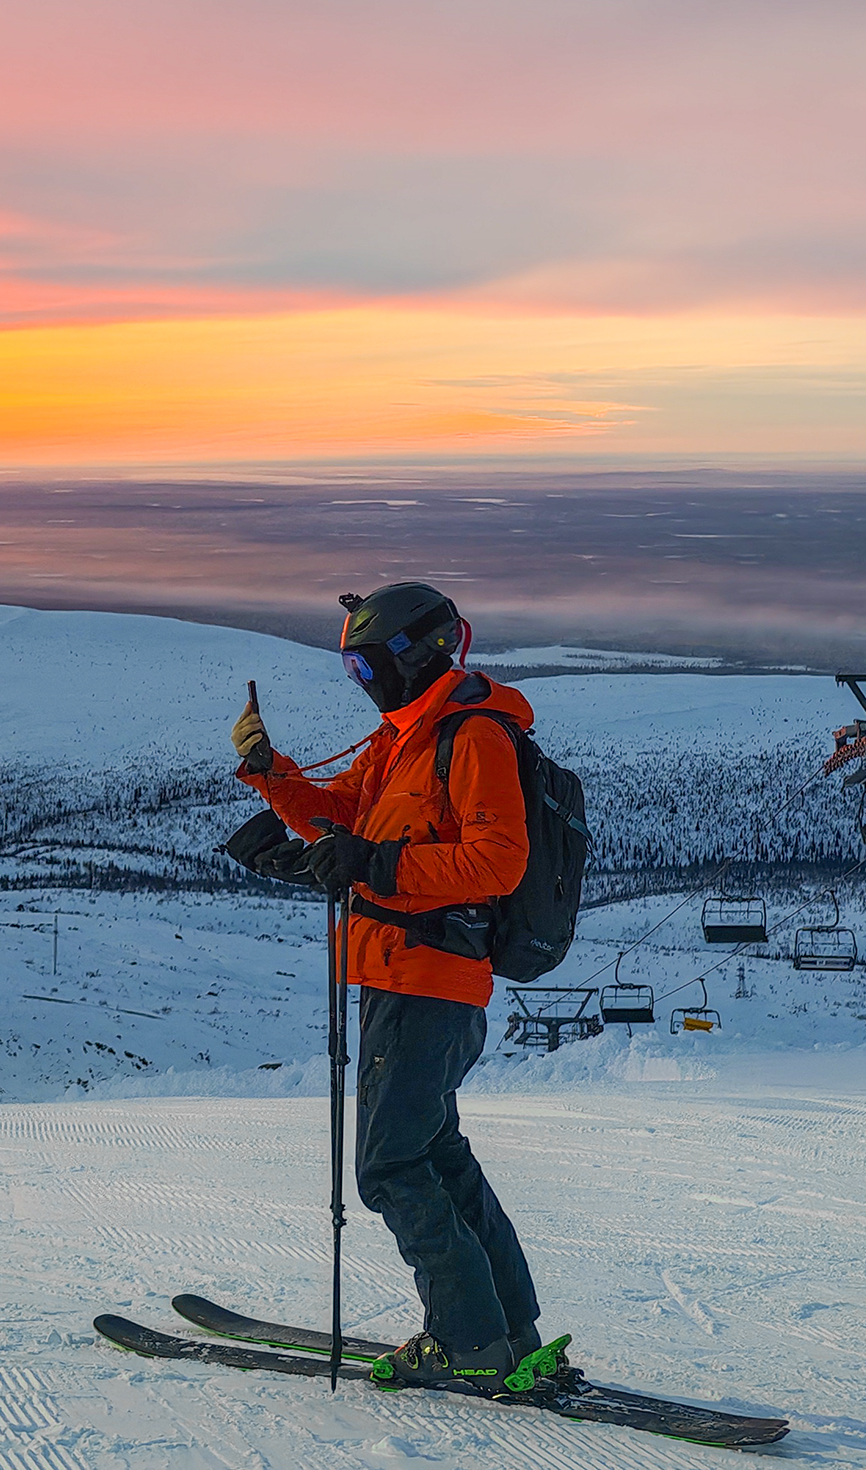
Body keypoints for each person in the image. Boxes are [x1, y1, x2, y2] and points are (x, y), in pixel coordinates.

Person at [231, 581, 555, 1398]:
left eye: (366, 665)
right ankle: (509, 1331)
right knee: (433, 1153)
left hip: (429, 978)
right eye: (352, 667)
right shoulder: (402, 738)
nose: (361, 681)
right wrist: (272, 776)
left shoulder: (471, 736)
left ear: (415, 655)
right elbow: (341, 817)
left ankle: (469, 1342)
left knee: (388, 1166)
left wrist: (373, 864)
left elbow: (497, 860)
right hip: (397, 974)